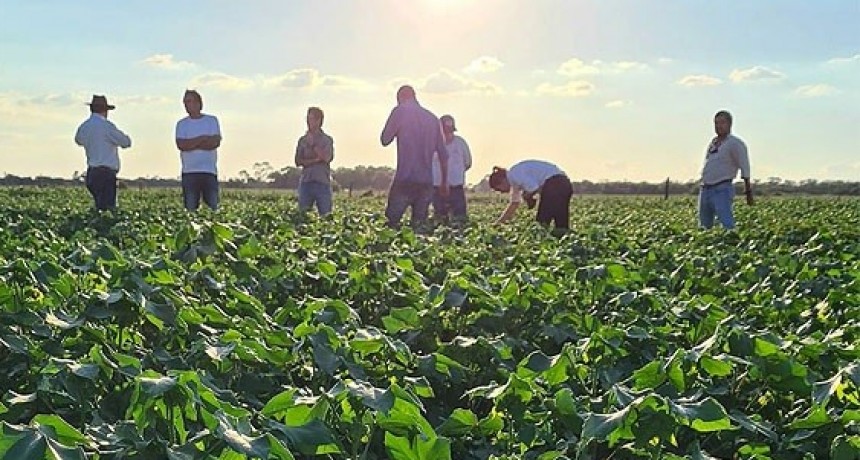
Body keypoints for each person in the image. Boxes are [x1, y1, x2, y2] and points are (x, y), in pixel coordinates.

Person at [380, 85, 449, 228]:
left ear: (400, 98)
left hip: (405, 179)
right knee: (419, 226)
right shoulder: (433, 119)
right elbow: (444, 155)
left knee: (391, 224)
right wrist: (444, 182)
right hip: (426, 181)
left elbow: (385, 140)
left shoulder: (399, 112)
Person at [74, 95, 132, 211]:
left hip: (92, 173)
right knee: (108, 209)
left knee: (98, 206)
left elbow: (78, 140)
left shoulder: (84, 127)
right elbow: (126, 142)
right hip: (106, 174)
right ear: (105, 110)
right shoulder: (107, 126)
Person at [698, 110, 752, 229]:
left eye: (722, 123)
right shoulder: (713, 143)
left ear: (730, 124)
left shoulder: (735, 143)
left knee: (726, 223)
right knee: (704, 226)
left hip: (721, 188)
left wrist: (748, 191)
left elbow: (745, 166)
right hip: (705, 189)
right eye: (716, 123)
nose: (719, 126)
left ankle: (733, 243)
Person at [489, 160, 573, 230]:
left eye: (499, 189)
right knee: (561, 223)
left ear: (502, 180)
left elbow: (533, 187)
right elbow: (514, 204)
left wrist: (527, 197)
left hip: (555, 183)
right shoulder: (514, 182)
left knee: (541, 224)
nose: (501, 192)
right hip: (564, 184)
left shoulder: (514, 174)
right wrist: (498, 223)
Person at [175, 90, 222, 211]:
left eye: (189, 101)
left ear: (198, 103)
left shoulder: (211, 121)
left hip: (208, 172)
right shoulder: (182, 124)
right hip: (189, 172)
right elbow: (182, 145)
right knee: (190, 209)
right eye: (185, 102)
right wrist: (202, 138)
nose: (186, 105)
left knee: (213, 208)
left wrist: (192, 143)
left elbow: (214, 143)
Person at [432, 114, 472, 223]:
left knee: (460, 218)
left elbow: (468, 163)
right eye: (445, 132)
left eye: (450, 131)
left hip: (456, 188)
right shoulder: (431, 145)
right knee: (440, 218)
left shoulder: (461, 143)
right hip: (437, 188)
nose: (448, 134)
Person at [295, 107, 334, 215]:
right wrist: (316, 160)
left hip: (322, 182)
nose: (308, 122)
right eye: (307, 118)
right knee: (302, 215)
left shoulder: (327, 140)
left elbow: (326, 158)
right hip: (306, 182)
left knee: (326, 215)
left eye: (311, 119)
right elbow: (298, 161)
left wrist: (313, 145)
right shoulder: (302, 140)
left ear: (319, 121)